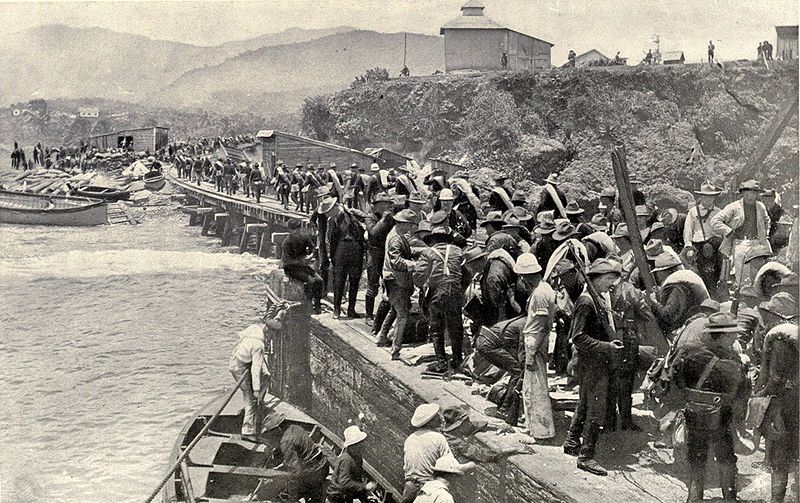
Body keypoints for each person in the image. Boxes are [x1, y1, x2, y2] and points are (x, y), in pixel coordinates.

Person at [671, 312, 748, 503]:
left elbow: (678, 381)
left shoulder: (689, 353)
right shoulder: (733, 361)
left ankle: (694, 498)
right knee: (726, 458)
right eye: (732, 335)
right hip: (721, 416)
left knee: (697, 457)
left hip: (694, 412)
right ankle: (729, 498)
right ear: (720, 336)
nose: (735, 338)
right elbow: (741, 393)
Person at [562, 258, 625, 476]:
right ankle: (586, 456)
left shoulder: (597, 299)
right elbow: (578, 338)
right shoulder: (587, 302)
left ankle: (572, 441)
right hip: (593, 363)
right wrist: (607, 346)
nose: (613, 283)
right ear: (596, 279)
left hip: (596, 361)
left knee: (586, 401)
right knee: (596, 408)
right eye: (609, 279)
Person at [753, 323, 798, 503]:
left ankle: (776, 500)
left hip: (785, 403)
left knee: (780, 457)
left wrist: (760, 393)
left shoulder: (776, 340)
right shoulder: (788, 340)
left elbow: (772, 376)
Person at [414, 225, 465, 373]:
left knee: (437, 327)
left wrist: (424, 283)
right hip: (455, 291)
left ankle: (441, 363)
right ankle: (457, 360)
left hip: (438, 292)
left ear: (433, 240)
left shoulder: (428, 253)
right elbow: (465, 272)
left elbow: (418, 276)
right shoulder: (457, 251)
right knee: (456, 326)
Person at [401, 404, 475, 503]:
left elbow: (406, 467)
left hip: (409, 488)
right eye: (436, 417)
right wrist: (470, 465)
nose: (440, 418)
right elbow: (451, 467)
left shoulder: (410, 438)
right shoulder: (438, 438)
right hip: (428, 489)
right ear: (431, 422)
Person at [518, 253, 556, 439]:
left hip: (535, 339)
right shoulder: (544, 289)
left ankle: (542, 431)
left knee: (537, 387)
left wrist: (532, 354)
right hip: (535, 338)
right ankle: (532, 425)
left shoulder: (540, 293)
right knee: (531, 385)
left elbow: (541, 325)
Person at [711, 179, 771, 288]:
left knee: (758, 275)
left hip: (757, 243)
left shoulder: (760, 206)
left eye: (753, 192)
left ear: (757, 194)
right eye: (747, 192)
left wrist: (765, 234)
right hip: (740, 243)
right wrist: (728, 231)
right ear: (743, 192)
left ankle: (756, 299)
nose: (750, 195)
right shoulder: (734, 207)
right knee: (742, 276)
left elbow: (767, 220)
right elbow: (715, 221)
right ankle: (741, 299)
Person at [380, 209, 418, 358]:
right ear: (403, 223)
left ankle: (382, 337)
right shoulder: (396, 239)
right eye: (410, 225)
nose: (411, 228)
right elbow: (397, 261)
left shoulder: (397, 235)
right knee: (402, 315)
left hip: (394, 278)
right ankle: (395, 349)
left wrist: (418, 251)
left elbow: (405, 252)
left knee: (395, 309)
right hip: (395, 279)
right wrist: (415, 265)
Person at [324, 196, 366, 319]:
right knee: (344, 280)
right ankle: (343, 309)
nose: (327, 215)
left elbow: (332, 240)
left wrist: (332, 256)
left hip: (348, 249)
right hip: (349, 249)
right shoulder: (339, 217)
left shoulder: (345, 216)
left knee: (349, 280)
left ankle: (344, 310)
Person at [228, 324, 271, 441]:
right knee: (250, 398)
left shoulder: (254, 330)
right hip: (239, 367)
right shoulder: (259, 345)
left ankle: (259, 405)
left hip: (239, 360)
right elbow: (255, 368)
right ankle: (247, 431)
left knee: (267, 376)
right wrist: (256, 390)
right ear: (267, 332)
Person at [683, 181, 723, 293]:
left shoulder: (719, 212)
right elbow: (688, 230)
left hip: (715, 245)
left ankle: (715, 292)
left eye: (711, 197)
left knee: (717, 271)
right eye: (705, 196)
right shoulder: (693, 211)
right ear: (701, 196)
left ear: (714, 198)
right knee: (698, 272)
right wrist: (688, 247)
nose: (708, 199)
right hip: (698, 245)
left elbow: (724, 231)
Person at [281, 219, 323, 313]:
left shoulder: (305, 237)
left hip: (302, 266)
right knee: (311, 281)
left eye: (299, 228)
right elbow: (287, 261)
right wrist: (302, 261)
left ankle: (317, 305)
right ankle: (308, 304)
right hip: (291, 269)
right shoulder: (286, 243)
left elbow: (313, 249)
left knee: (319, 280)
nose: (297, 231)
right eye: (295, 229)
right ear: (290, 230)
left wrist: (312, 255)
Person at [365, 193, 395, 322]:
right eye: (383, 205)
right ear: (376, 206)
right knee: (372, 284)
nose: (386, 208)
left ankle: (384, 314)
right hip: (375, 253)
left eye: (387, 205)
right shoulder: (370, 218)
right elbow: (374, 233)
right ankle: (368, 315)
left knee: (388, 283)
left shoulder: (391, 218)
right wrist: (383, 220)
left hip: (387, 253)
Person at [327, 426, 377, 503]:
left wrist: (365, 497)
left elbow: (357, 478)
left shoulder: (358, 458)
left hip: (347, 494)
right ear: (353, 446)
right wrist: (365, 487)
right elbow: (344, 483)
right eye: (360, 443)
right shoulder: (346, 459)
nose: (363, 446)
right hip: (337, 495)